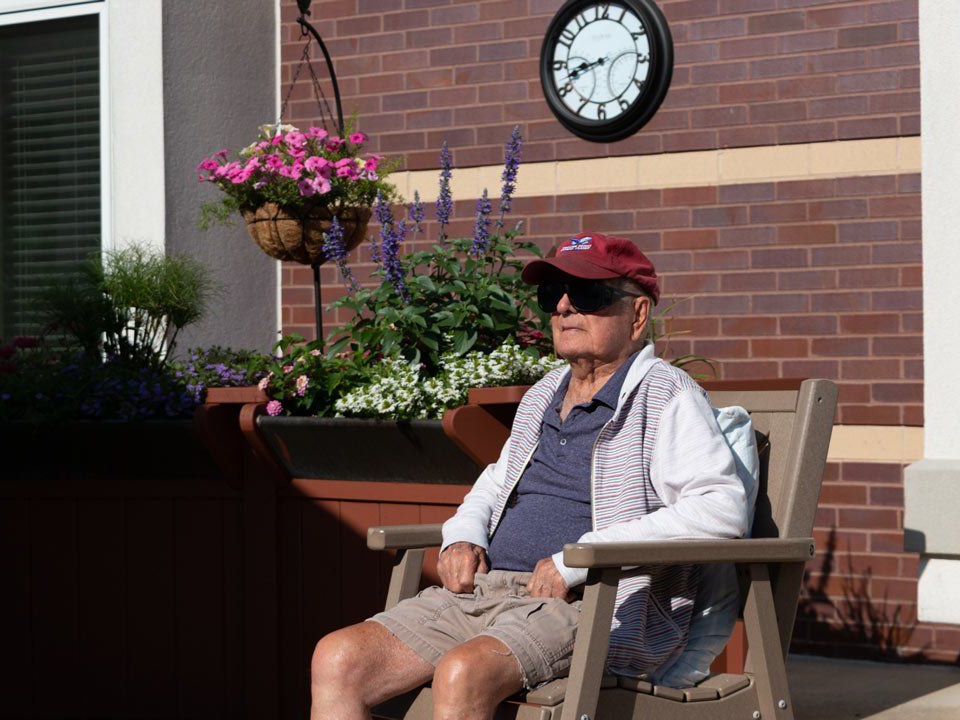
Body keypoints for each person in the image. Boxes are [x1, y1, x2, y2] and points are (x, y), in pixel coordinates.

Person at [310, 233, 750, 720]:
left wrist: (577, 562)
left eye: (588, 294)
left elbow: (720, 508)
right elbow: (498, 481)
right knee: (337, 659)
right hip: (486, 592)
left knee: (462, 672)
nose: (563, 307)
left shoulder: (665, 396)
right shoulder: (546, 392)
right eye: (553, 295)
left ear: (638, 314)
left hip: (593, 605)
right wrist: (461, 536)